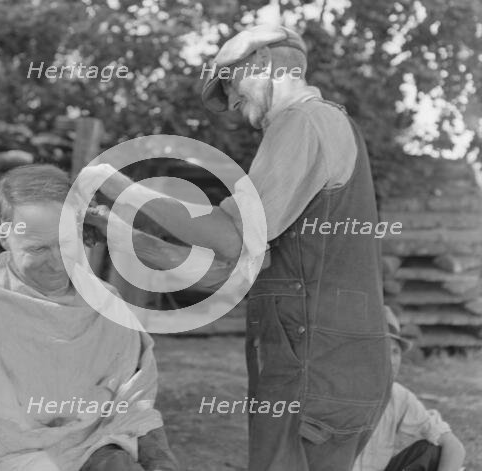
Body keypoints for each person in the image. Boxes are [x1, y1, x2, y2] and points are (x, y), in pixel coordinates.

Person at [80, 22, 392, 471]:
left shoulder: (304, 122)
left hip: (314, 373)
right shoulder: (311, 133)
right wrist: (111, 226)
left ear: (263, 65)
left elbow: (227, 234)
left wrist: (115, 184)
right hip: (332, 370)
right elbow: (220, 268)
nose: (232, 105)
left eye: (231, 85)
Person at [0, 164, 179, 471]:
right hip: (10, 458)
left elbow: (135, 402)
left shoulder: (107, 305)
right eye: (38, 249)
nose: (56, 264)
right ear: (4, 237)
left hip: (95, 447)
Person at [352, 306, 466, 471]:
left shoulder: (398, 396)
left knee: (433, 452)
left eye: (395, 351)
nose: (391, 360)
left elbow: (454, 447)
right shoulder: (334, 390)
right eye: (383, 349)